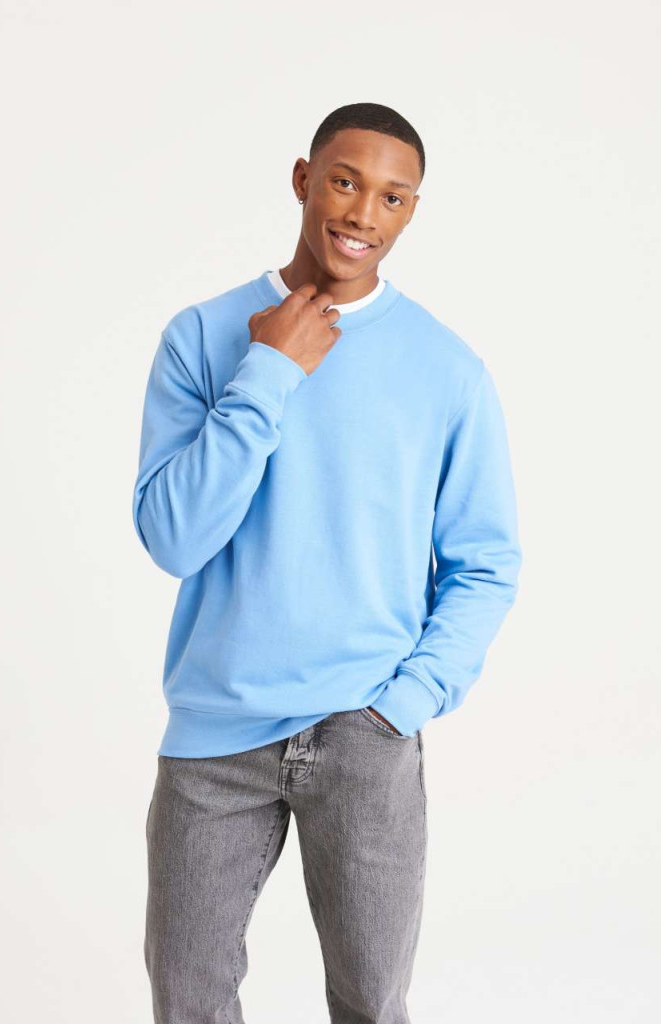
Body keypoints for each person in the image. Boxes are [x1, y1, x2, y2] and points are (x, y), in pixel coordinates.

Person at [132, 101, 523, 1024]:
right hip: (215, 734)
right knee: (187, 1001)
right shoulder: (204, 335)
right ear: (304, 179)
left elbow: (484, 562)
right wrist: (268, 371)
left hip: (364, 728)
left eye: (392, 197)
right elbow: (173, 537)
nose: (361, 213)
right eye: (345, 182)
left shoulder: (446, 368)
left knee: (369, 1005)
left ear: (411, 211)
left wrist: (404, 703)